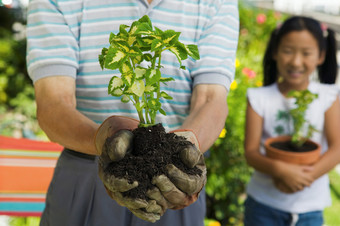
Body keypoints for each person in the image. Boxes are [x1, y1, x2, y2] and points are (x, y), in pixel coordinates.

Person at [26, 0, 239, 225]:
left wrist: (189, 147)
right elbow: (54, 104)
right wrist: (102, 140)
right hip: (87, 174)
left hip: (175, 182)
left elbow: (211, 98)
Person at [244, 16, 340, 226]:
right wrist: (281, 170)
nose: (296, 61)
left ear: (321, 56)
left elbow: (337, 149)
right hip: (262, 205)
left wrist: (305, 176)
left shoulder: (328, 96)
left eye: (306, 53)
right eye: (288, 51)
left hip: (309, 210)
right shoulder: (258, 98)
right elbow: (250, 153)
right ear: (275, 52)